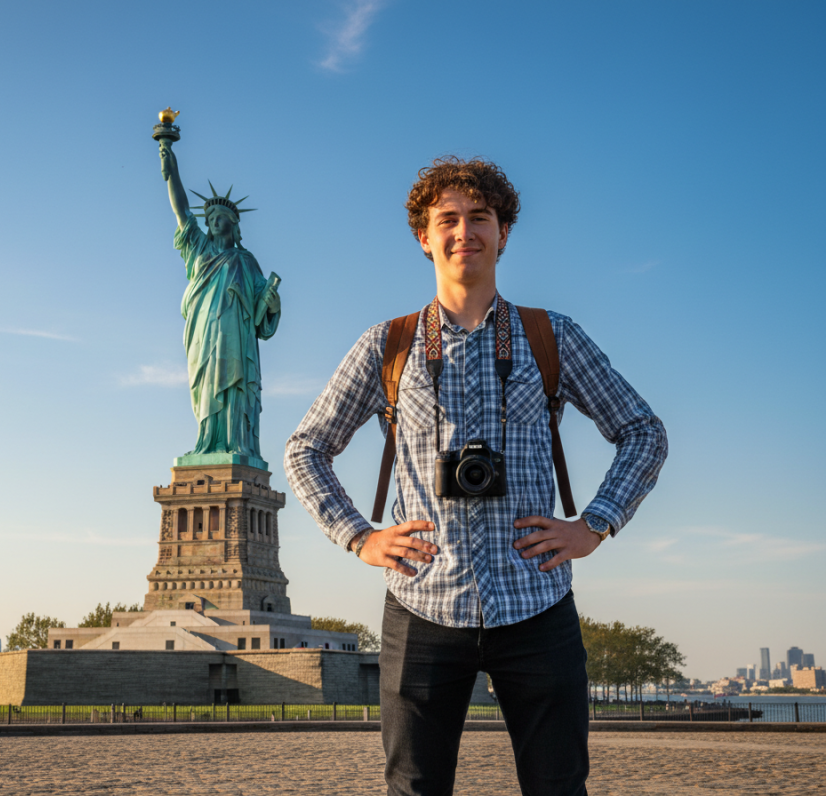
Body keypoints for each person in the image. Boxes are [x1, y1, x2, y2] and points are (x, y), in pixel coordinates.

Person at [284, 156, 668, 796]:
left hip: (536, 602)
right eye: (449, 220)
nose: (465, 232)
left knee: (558, 786)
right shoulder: (389, 345)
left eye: (480, 218)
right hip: (422, 605)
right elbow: (306, 447)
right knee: (414, 788)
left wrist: (594, 526)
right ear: (425, 238)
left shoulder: (551, 336)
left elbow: (644, 431)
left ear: (504, 232)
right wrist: (359, 537)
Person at [158, 138, 281, 462]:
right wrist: (171, 167)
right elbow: (181, 209)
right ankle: (207, 443)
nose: (213, 221)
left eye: (220, 217)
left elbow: (261, 319)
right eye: (209, 217)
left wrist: (272, 304)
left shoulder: (247, 261)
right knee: (205, 385)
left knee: (235, 388)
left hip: (235, 337)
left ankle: (235, 444)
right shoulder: (199, 249)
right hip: (203, 331)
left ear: (234, 223)